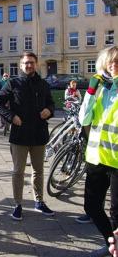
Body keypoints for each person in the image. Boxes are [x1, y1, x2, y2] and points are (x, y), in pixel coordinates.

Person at [0, 52, 55, 220]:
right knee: (18, 172)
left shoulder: (43, 84)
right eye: (26, 63)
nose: (29, 65)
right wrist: (11, 117)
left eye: (32, 62)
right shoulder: (13, 83)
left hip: (39, 134)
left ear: (36, 64)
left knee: (39, 171)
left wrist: (49, 110)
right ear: (21, 66)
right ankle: (18, 204)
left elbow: (51, 103)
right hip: (20, 135)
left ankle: (39, 202)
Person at [79, 46, 118, 257]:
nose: (114, 65)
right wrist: (91, 92)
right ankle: (111, 242)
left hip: (117, 161)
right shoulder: (100, 87)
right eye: (110, 61)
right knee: (91, 206)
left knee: (116, 213)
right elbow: (83, 119)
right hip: (96, 157)